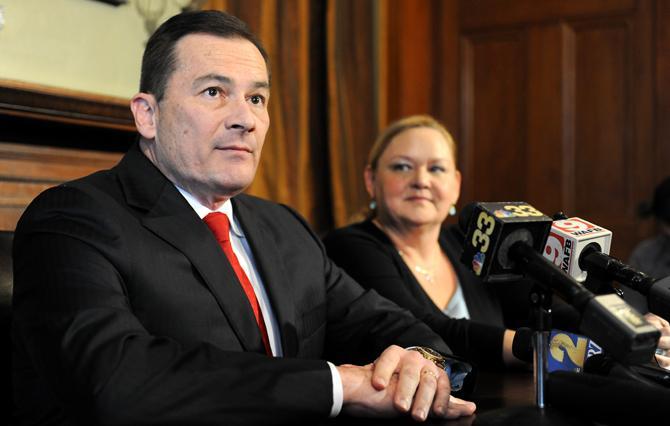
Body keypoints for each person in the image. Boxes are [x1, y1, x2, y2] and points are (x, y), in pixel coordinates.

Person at [11, 11, 477, 425]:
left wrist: (422, 360)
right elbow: (116, 382)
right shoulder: (72, 220)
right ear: (147, 115)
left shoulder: (284, 227)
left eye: (257, 99)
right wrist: (336, 387)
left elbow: (388, 324)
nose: (246, 120)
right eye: (214, 92)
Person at [323, 115, 532, 370]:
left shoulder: (471, 245)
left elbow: (535, 307)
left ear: (455, 186)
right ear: (371, 180)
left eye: (436, 169)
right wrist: (532, 347)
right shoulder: (349, 247)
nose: (421, 180)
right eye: (402, 167)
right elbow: (423, 331)